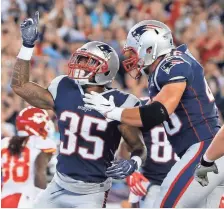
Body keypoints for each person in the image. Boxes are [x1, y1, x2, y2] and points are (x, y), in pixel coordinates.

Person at [11, 12, 147, 208]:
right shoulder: (64, 87)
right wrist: (27, 46)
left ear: (106, 70)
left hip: (92, 191)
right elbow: (20, 87)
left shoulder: (120, 102)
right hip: (58, 183)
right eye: (81, 60)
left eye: (89, 62)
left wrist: (134, 162)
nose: (80, 66)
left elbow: (139, 146)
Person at [83, 20, 224, 207]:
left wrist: (114, 111)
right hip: (211, 152)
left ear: (150, 48)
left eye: (134, 51)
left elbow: (160, 111)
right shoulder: (169, 67)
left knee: (166, 204)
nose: (132, 58)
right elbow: (146, 115)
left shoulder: (171, 64)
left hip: (203, 149)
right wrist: (115, 114)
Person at [1, 106, 56, 208]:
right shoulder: (42, 143)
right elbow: (39, 172)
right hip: (26, 200)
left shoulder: (4, 142)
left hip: (4, 199)